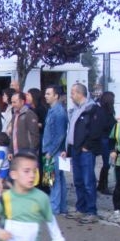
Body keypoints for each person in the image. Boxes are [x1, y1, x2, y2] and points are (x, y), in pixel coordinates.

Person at [62, 83, 103, 224]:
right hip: (75, 149)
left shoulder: (92, 109)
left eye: (73, 92)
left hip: (85, 150)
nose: (71, 95)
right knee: (78, 181)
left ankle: (92, 211)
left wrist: (88, 146)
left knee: (88, 181)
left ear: (80, 94)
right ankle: (81, 209)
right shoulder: (75, 109)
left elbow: (97, 130)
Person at [42, 85, 69, 215]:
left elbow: (59, 135)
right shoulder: (52, 110)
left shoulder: (58, 112)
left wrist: (50, 152)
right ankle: (61, 206)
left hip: (52, 152)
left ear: (56, 96)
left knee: (53, 180)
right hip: (52, 151)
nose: (45, 96)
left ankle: (54, 208)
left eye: (48, 93)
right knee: (57, 179)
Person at [96, 92, 117, 196]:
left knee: (106, 164)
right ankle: (103, 185)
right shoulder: (105, 112)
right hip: (106, 139)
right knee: (106, 164)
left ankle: (101, 184)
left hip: (106, 138)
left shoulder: (103, 111)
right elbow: (107, 125)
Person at [9, 91, 40, 155]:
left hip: (27, 152)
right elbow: (13, 134)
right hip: (16, 152)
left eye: (14, 102)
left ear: (22, 102)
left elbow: (34, 135)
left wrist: (32, 151)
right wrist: (11, 151)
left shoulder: (29, 114)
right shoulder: (15, 115)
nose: (12, 105)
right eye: (11, 102)